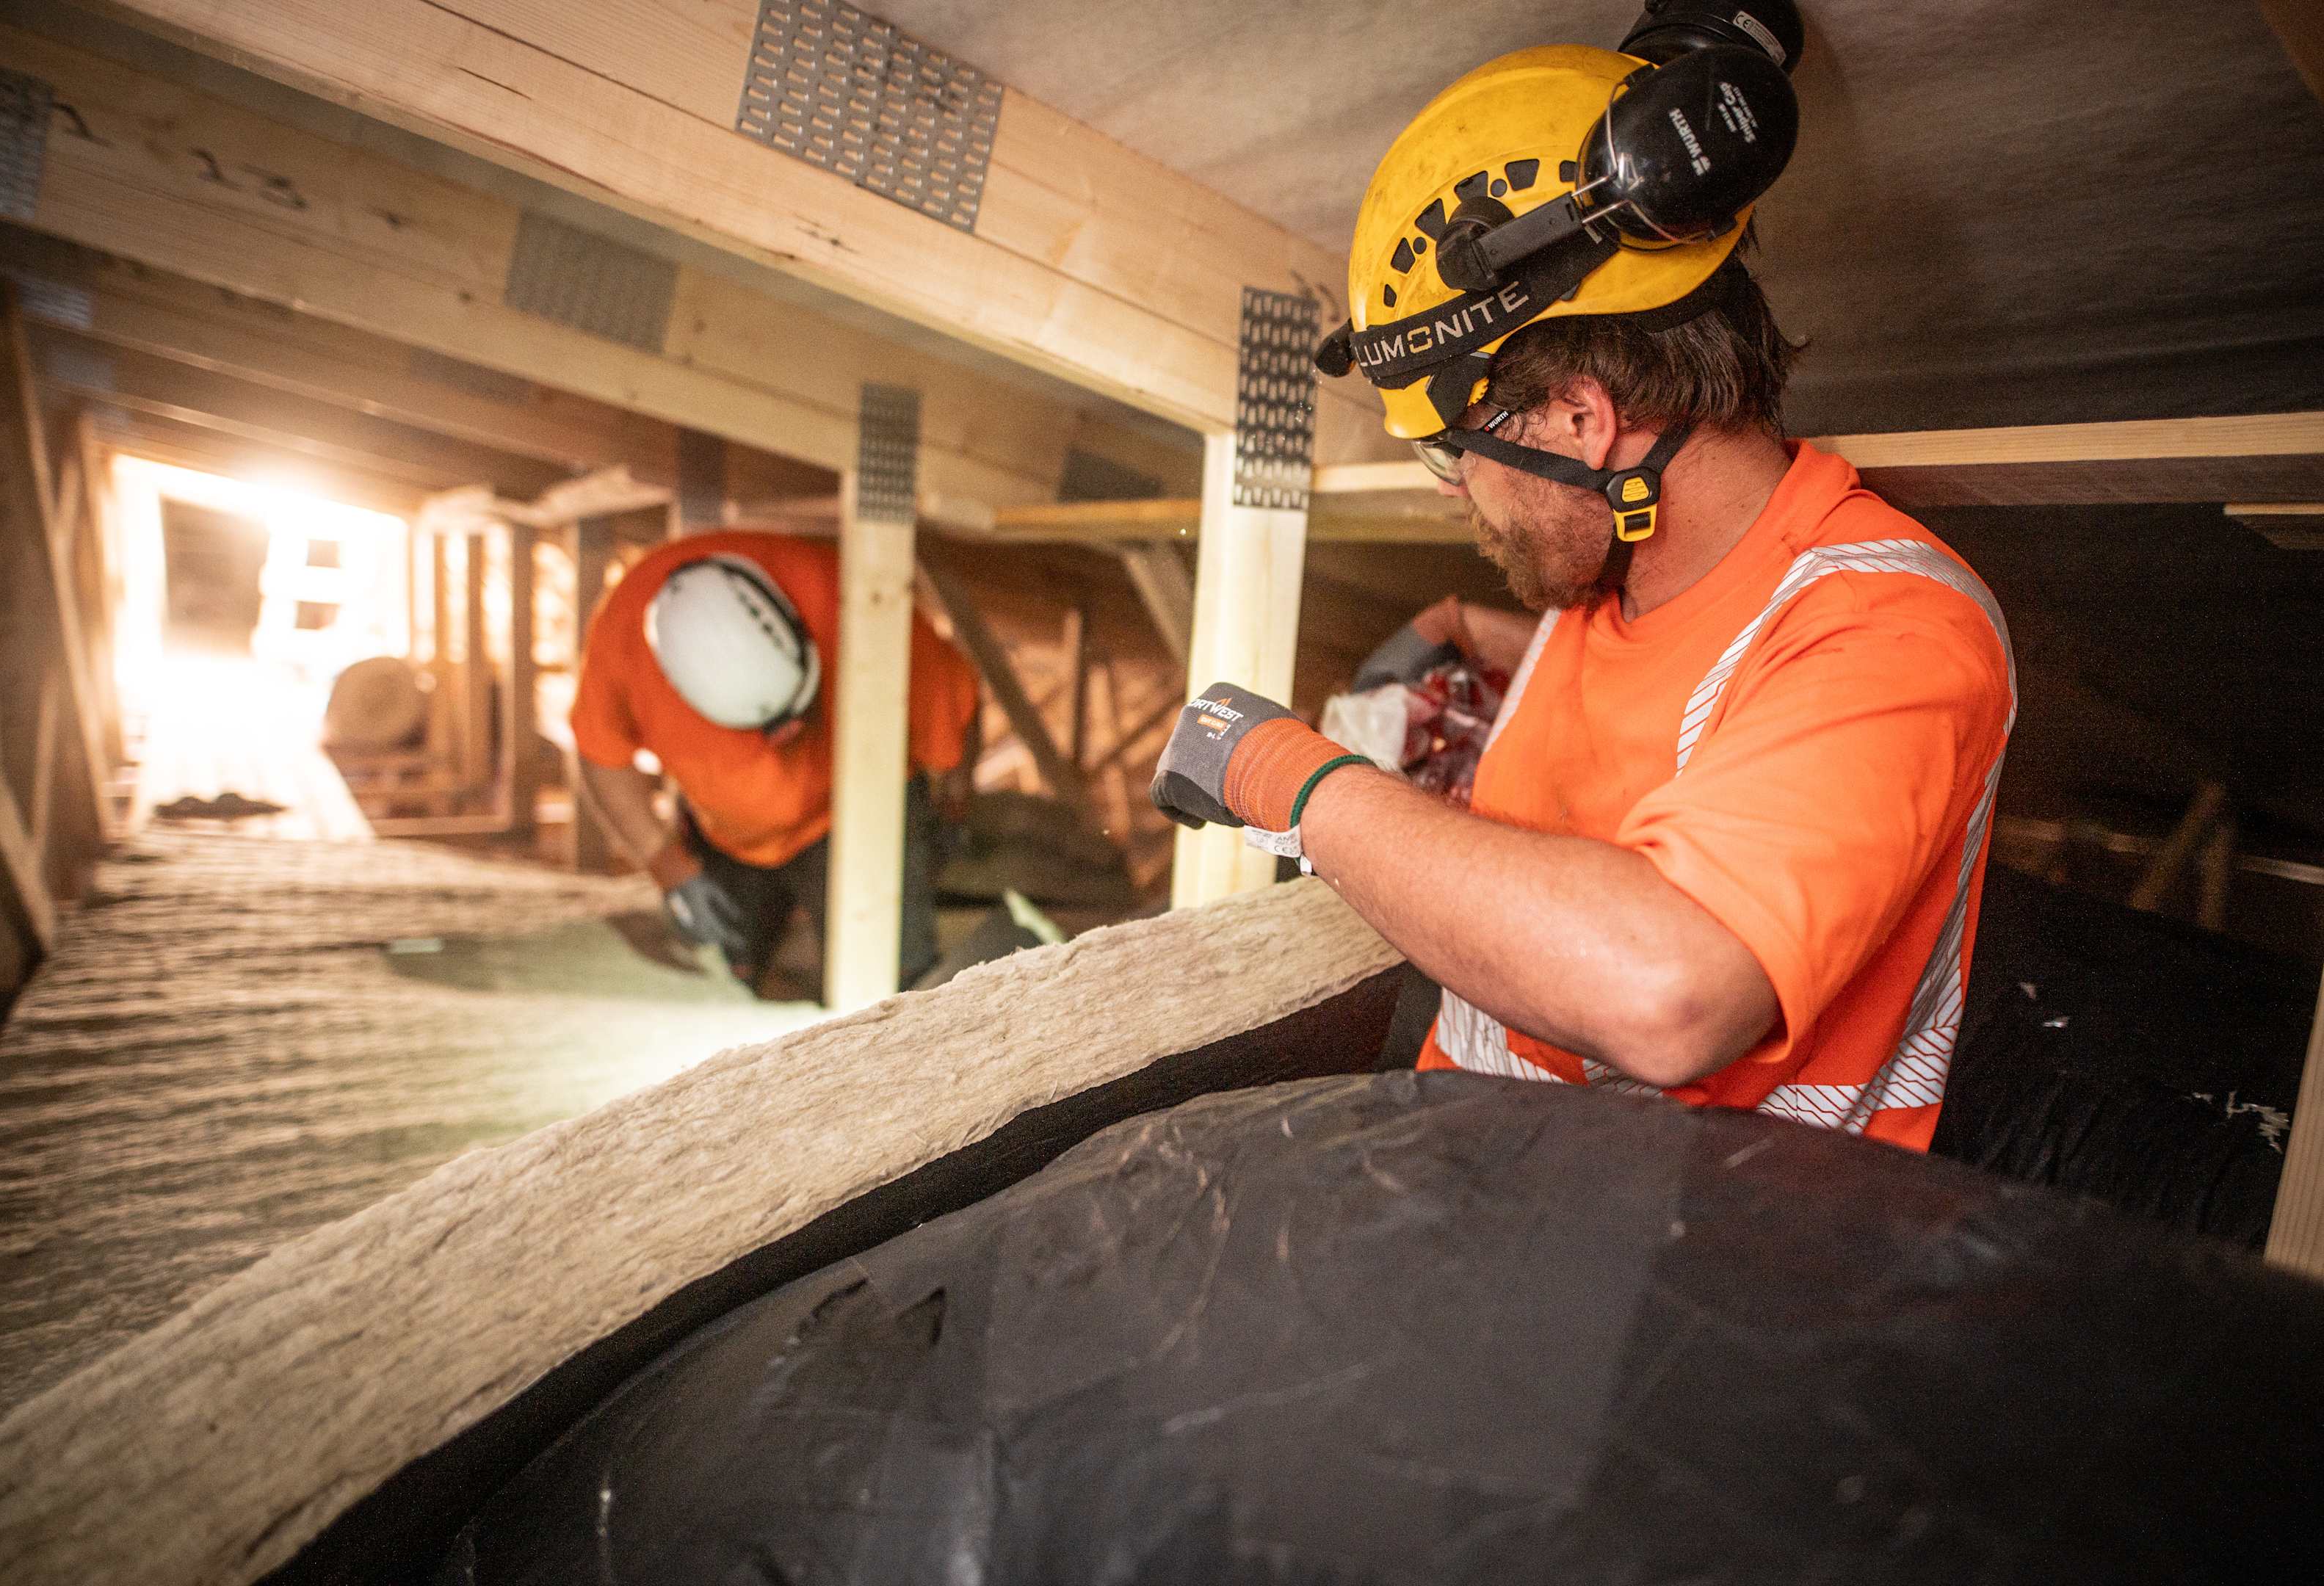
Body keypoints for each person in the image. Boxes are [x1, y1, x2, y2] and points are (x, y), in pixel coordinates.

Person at [1152, 7, 2013, 1151]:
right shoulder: (1619, 571)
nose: (1453, 492)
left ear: (1579, 419)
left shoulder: (1895, 626)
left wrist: (1294, 781)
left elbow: (1666, 994)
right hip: (1488, 1190)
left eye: (1450, 453)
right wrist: (1461, 629)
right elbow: (1683, 701)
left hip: (1699, 1276)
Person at [570, 530, 980, 996]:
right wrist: (666, 862)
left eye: (796, 709)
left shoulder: (865, 603)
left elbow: (962, 705)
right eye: (758, 726)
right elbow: (600, 756)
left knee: (897, 984)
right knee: (730, 978)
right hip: (728, 831)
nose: (785, 738)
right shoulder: (621, 639)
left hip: (859, 808)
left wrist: (954, 805)